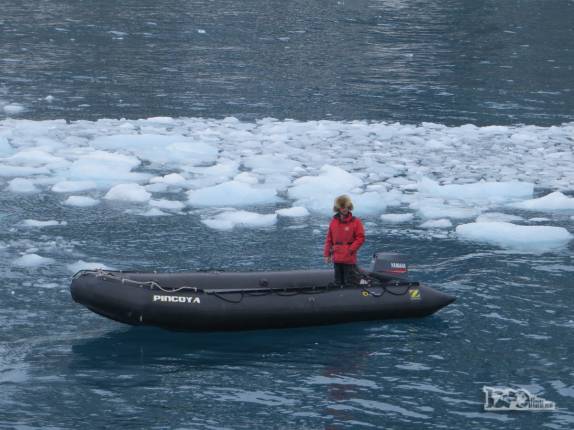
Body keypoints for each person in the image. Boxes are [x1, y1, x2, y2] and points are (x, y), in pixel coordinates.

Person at [323, 195, 365, 286]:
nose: (344, 209)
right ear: (338, 208)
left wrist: (350, 249)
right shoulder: (333, 221)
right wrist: (327, 254)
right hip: (337, 257)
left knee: (350, 282)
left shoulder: (356, 222)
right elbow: (329, 239)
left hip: (349, 257)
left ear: (349, 207)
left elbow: (360, 238)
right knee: (338, 281)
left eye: (345, 207)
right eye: (342, 207)